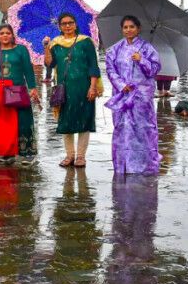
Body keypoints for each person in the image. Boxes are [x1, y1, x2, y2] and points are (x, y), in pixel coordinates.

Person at [104, 15, 162, 175]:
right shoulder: (114, 49)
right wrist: (122, 86)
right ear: (122, 30)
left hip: (142, 98)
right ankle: (124, 165)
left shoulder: (147, 48)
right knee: (122, 128)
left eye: (132, 27)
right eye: (125, 27)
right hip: (122, 96)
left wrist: (142, 59)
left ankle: (145, 164)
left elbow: (155, 69)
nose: (128, 30)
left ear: (138, 28)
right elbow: (110, 69)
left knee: (143, 129)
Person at [44, 13, 101, 169]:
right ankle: (70, 155)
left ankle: (81, 157)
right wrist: (46, 47)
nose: (67, 26)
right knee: (66, 122)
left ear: (75, 24)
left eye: (70, 23)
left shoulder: (86, 42)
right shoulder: (55, 43)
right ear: (60, 26)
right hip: (64, 88)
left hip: (84, 87)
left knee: (84, 121)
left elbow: (93, 66)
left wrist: (93, 86)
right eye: (64, 23)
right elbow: (49, 64)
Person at [0, 24, 39, 162]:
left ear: (12, 35)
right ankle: (7, 151)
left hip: (17, 89)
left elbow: (28, 70)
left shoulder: (21, 50)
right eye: (1, 33)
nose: (5, 35)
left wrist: (32, 88)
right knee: (2, 122)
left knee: (22, 119)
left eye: (8, 33)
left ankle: (26, 152)